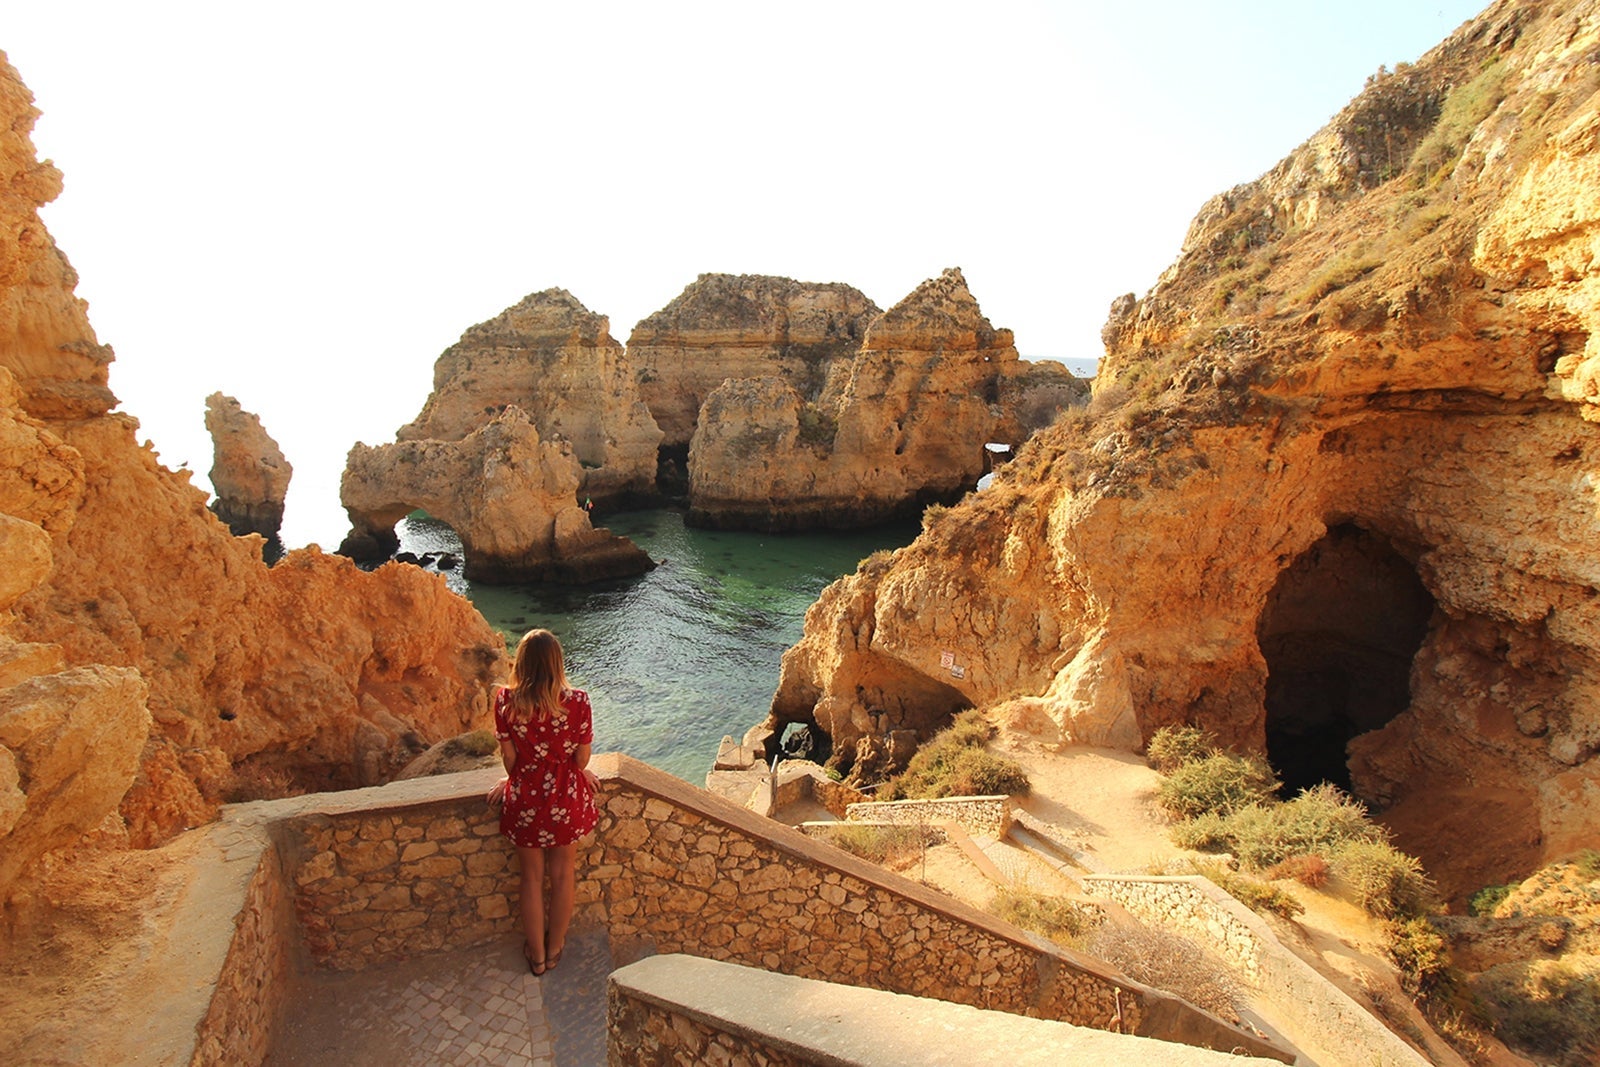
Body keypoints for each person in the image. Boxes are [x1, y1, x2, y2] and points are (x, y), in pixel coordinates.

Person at [488, 629, 599, 976]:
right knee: (563, 875)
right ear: (557, 663)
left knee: (531, 879)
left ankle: (536, 956)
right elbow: (580, 762)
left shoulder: (505, 701)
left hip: (525, 800)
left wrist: (516, 778)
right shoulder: (578, 701)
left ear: (520, 662)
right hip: (566, 797)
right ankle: (555, 948)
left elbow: (510, 762)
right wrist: (572, 770)